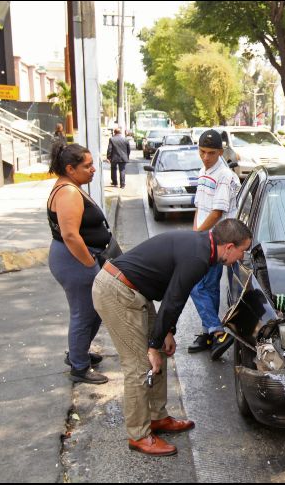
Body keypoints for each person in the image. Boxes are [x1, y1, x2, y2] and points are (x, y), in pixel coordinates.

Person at [91, 219, 252, 456]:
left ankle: (157, 417)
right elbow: (174, 300)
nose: (242, 257)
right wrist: (152, 346)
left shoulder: (202, 247)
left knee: (161, 352)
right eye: (242, 250)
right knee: (139, 366)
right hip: (117, 291)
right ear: (229, 247)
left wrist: (166, 332)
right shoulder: (198, 257)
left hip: (136, 291)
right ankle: (139, 435)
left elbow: (173, 293)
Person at [47, 143, 110, 385]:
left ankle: (78, 353)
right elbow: (70, 235)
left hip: (76, 258)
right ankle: (79, 366)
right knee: (84, 313)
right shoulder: (68, 193)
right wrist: (89, 265)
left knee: (93, 311)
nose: (93, 169)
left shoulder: (71, 187)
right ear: (70, 169)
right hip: (75, 260)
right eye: (87, 166)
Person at [187, 130, 241, 359]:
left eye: (211, 153)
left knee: (194, 285)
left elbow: (217, 212)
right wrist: (195, 233)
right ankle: (209, 333)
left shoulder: (224, 176)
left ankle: (217, 331)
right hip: (203, 238)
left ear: (220, 152)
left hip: (216, 240)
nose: (205, 157)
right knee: (209, 287)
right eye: (202, 151)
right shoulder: (204, 171)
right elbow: (200, 208)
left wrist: (199, 235)